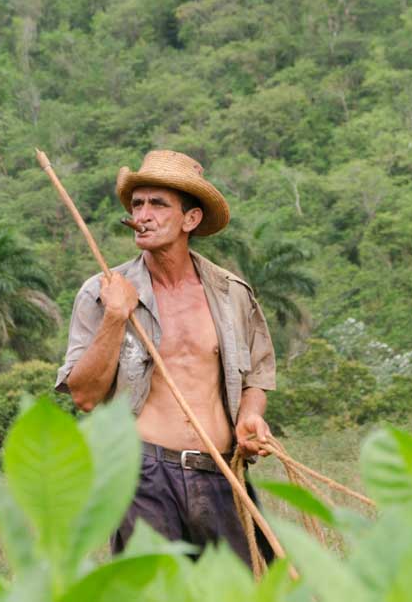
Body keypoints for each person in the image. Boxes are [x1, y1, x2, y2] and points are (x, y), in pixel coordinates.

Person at [55, 149, 277, 562]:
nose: (143, 214)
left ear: (190, 220)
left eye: (158, 204)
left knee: (243, 588)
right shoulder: (103, 293)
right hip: (144, 474)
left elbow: (257, 375)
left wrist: (251, 415)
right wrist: (116, 317)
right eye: (137, 204)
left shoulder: (231, 293)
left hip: (221, 473)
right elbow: (83, 396)